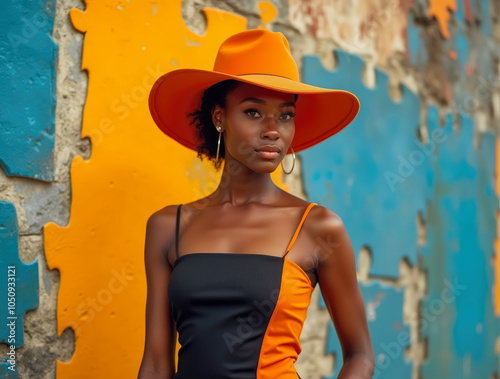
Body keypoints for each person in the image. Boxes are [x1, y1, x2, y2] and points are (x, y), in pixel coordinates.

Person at [138, 29, 375, 379]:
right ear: (220, 117)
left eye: (285, 115)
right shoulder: (168, 226)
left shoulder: (318, 228)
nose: (273, 131)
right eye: (252, 112)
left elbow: (360, 356)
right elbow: (156, 364)